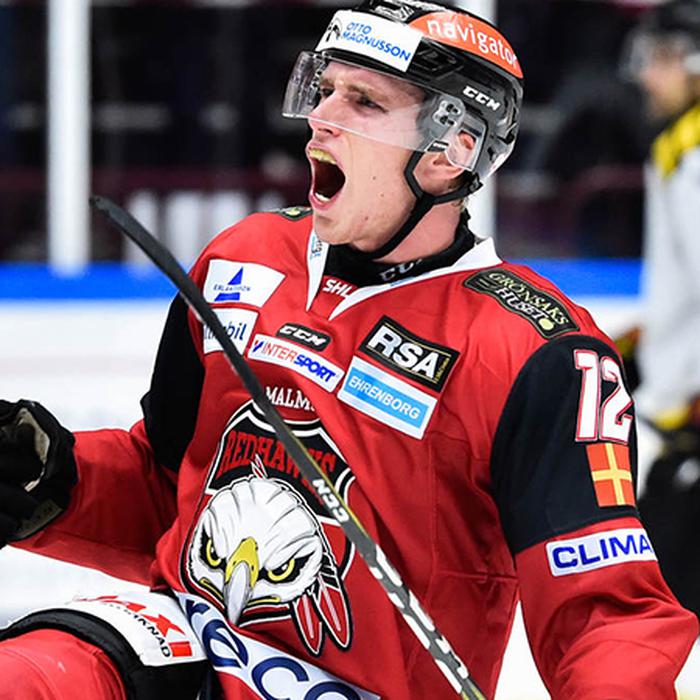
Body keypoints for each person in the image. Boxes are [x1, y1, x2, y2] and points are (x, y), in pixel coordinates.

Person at [0, 1, 696, 698]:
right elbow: (171, 490)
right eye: (324, 88)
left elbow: (606, 618)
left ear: (451, 150)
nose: (321, 119)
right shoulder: (243, 260)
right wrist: (52, 479)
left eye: (364, 101)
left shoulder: (535, 350)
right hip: (181, 645)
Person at [619, 0, 700, 620]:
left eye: (662, 59)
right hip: (684, 419)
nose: (647, 75)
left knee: (654, 609)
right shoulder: (681, 144)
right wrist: (652, 336)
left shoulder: (691, 148)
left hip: (692, 424)